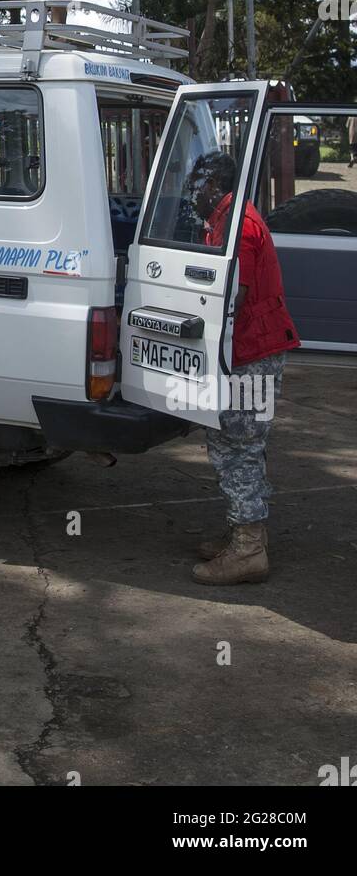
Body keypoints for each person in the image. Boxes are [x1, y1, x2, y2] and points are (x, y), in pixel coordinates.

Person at [187, 151, 300, 585]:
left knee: (238, 447)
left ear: (213, 184)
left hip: (254, 356)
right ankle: (243, 534)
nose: (190, 193)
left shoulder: (239, 227)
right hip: (251, 352)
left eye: (196, 184)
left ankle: (249, 549)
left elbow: (231, 297)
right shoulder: (227, 218)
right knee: (238, 443)